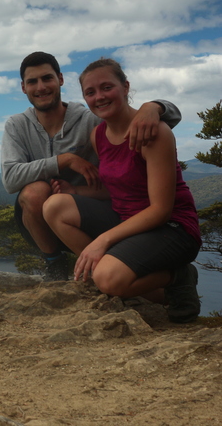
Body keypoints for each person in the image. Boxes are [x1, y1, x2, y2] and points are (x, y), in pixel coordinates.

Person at [42, 58, 201, 323]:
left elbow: (161, 210)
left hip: (172, 228)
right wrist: (75, 192)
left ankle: (179, 276)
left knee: (107, 278)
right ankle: (113, 275)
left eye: (107, 87)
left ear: (125, 87)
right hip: (128, 221)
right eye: (90, 92)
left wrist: (101, 241)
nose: (99, 97)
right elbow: (118, 189)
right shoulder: (99, 135)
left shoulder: (153, 132)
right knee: (54, 206)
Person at [1, 52, 181, 280]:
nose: (41, 87)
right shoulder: (17, 126)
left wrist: (154, 107)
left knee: (106, 279)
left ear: (60, 79)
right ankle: (55, 265)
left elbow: (154, 123)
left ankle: (109, 273)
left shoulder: (90, 121)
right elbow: (10, 179)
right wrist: (64, 160)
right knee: (34, 192)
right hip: (42, 223)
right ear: (23, 88)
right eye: (32, 81)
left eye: (47, 78)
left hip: (93, 211)